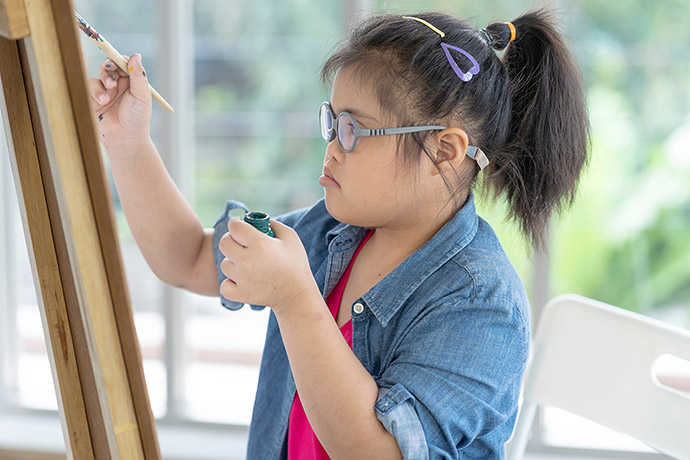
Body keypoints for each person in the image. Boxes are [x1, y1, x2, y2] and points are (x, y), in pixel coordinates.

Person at [89, 8, 588, 459]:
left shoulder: (480, 303)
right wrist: (128, 142)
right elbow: (191, 257)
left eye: (352, 130)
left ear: (445, 151)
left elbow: (377, 452)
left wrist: (295, 300)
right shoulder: (327, 231)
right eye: (331, 123)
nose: (330, 147)